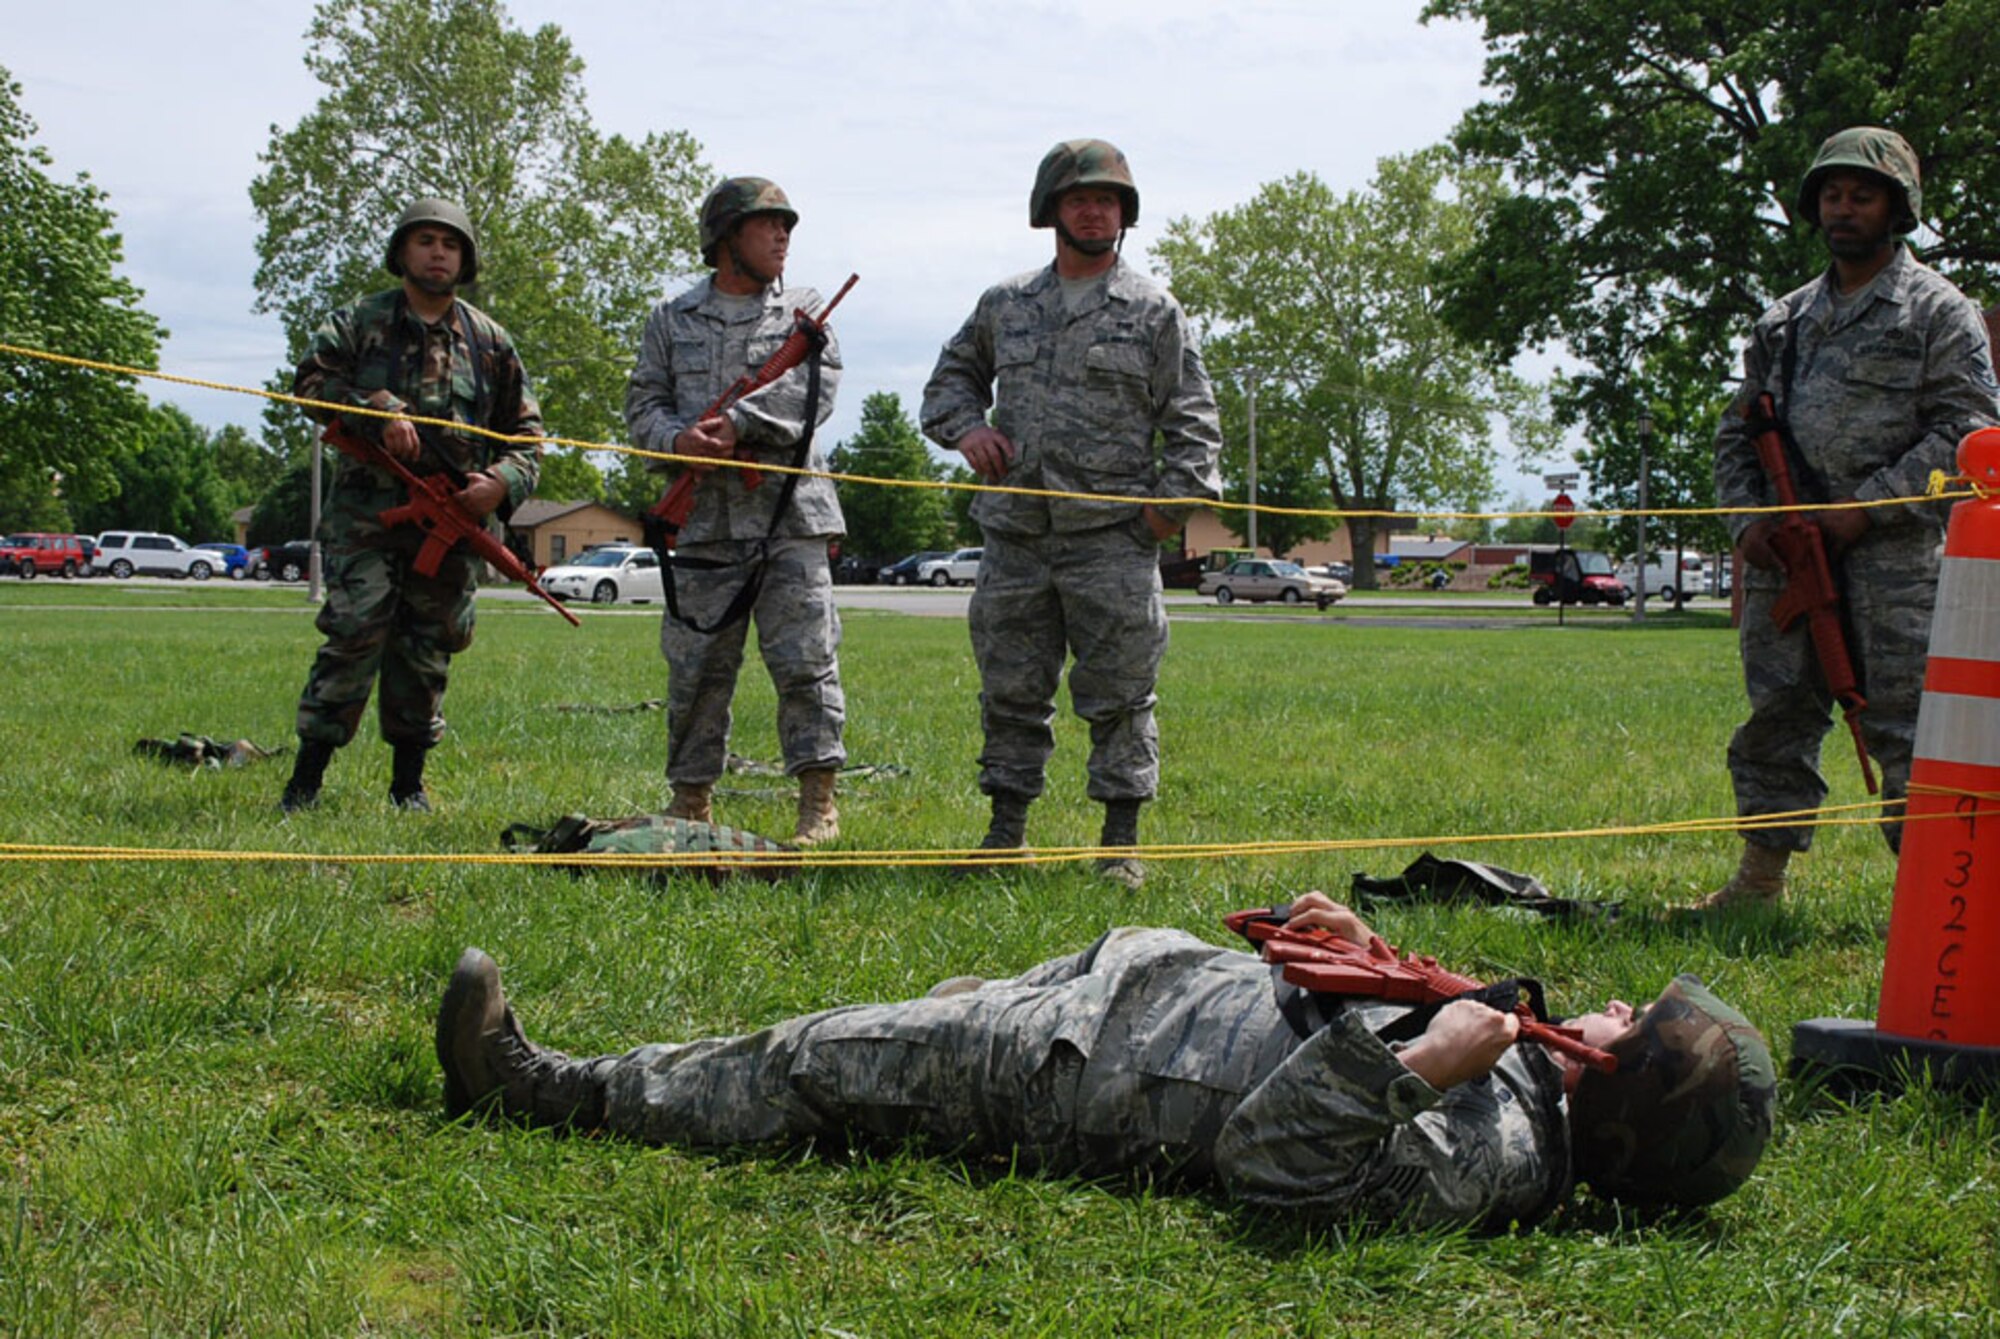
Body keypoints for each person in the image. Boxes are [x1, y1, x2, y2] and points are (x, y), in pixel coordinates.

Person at [435, 892, 1776, 1227]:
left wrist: (1414, 1066)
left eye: (1624, 1022)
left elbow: (1274, 1166)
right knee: (859, 1033)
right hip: (1131, 987)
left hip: (1079, 1067)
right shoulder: (1520, 1065)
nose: (1602, 1005)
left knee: (805, 1062)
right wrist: (1359, 953)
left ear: (1624, 1085)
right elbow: (1338, 1035)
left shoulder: (1490, 1152)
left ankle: (543, 1086)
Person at [1698, 127, 2000, 910]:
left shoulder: (1940, 311)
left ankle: (1938, 901)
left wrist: (1864, 510)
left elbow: (1969, 438)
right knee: (1777, 720)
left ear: (1897, 207)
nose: (1843, 209)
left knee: (1910, 731)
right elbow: (1737, 432)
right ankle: (1758, 882)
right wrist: (1748, 524)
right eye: (1831, 194)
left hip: (1897, 567)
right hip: (1788, 563)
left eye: (1861, 195)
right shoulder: (1783, 321)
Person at [919, 139, 1223, 887]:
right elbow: (947, 384)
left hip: (1111, 544)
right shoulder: (1007, 305)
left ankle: (1119, 842)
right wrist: (970, 429)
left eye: (1109, 200)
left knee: (1121, 695)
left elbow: (1196, 426)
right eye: (1080, 199)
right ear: (1051, 211)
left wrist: (1160, 517)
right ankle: (1005, 833)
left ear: (1125, 215)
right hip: (1017, 539)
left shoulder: (1154, 310)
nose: (1096, 210)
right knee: (1010, 690)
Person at [280, 198, 543, 813]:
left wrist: (501, 482)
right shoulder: (359, 322)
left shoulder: (490, 344)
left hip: (451, 525)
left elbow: (528, 436)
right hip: (366, 521)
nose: (437, 253)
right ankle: (304, 783)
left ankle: (407, 788)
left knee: (428, 649)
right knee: (351, 636)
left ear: (465, 259)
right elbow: (311, 385)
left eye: (450, 244)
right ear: (403, 251)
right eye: (425, 241)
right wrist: (376, 409)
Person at [625, 178, 847, 846]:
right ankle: (691, 803)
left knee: (806, 661)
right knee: (695, 669)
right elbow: (643, 402)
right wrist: (677, 440)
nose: (782, 235)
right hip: (705, 523)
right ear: (727, 238)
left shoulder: (805, 313)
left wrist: (741, 423)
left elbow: (819, 390)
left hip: (790, 520)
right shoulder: (673, 317)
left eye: (787, 225)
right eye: (767, 224)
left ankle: (818, 804)